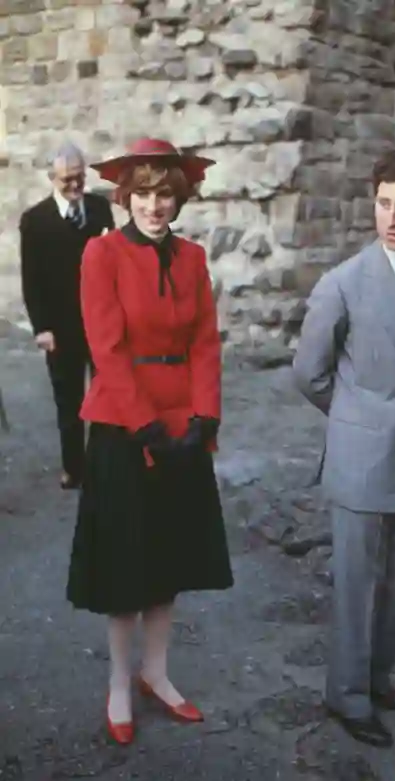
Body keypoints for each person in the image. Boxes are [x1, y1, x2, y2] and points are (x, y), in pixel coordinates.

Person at [65, 138, 233, 746]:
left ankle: (156, 673)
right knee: (126, 560)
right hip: (123, 423)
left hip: (183, 423)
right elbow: (105, 347)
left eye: (165, 194)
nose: (154, 206)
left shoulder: (192, 258)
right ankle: (118, 680)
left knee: (170, 554)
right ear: (125, 197)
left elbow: (207, 342)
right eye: (143, 194)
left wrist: (204, 416)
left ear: (179, 199)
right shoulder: (101, 254)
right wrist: (144, 425)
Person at [292, 149, 395, 747]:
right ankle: (347, 696)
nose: (391, 217)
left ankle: (378, 675)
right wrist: (354, 423)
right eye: (383, 203)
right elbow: (309, 371)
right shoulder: (342, 283)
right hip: (362, 454)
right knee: (358, 581)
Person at [19, 142, 115, 489]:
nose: (75, 187)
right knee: (69, 401)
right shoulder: (35, 221)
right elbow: (32, 279)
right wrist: (41, 327)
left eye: (79, 178)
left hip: (100, 321)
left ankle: (108, 463)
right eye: (66, 181)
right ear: (51, 179)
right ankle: (75, 468)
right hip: (60, 327)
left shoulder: (100, 209)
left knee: (109, 394)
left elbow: (115, 263)